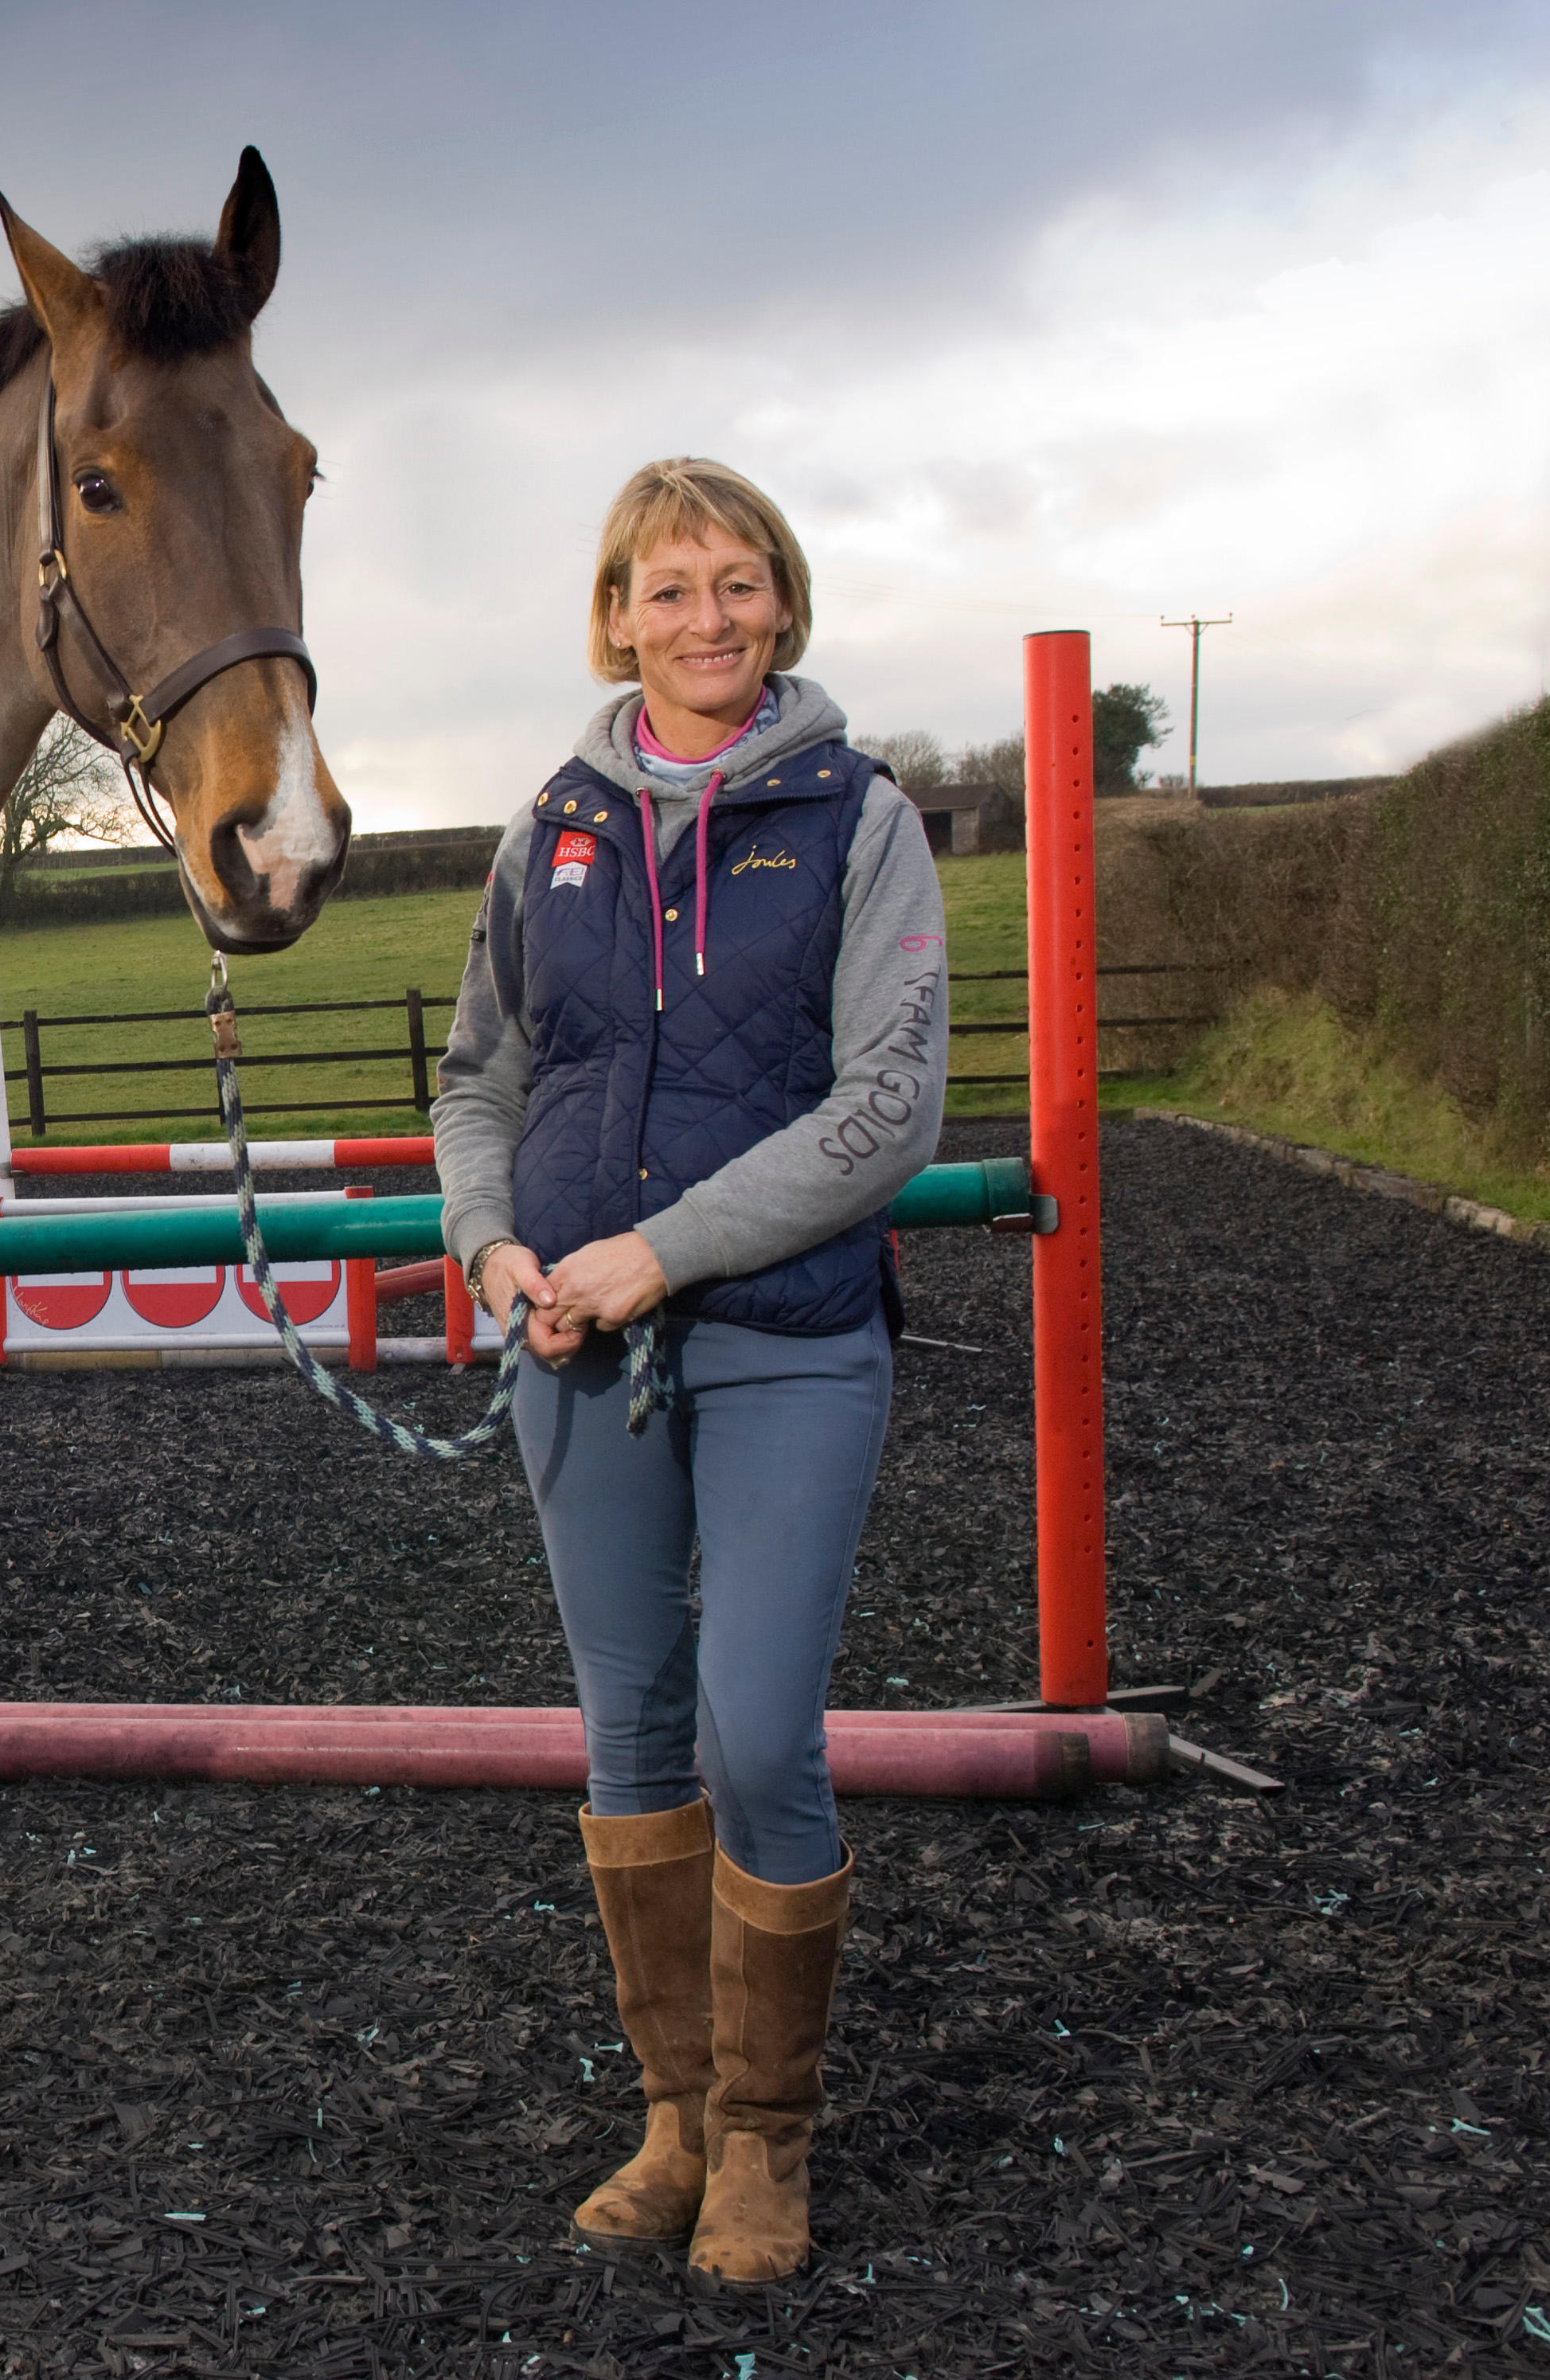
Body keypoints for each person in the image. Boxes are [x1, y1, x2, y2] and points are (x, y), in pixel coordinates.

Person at [429, 458, 947, 2284]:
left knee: (754, 1727)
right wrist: (497, 1247)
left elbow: (892, 1106)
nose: (706, 618)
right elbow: (479, 1078)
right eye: (670, 588)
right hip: (577, 1344)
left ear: (784, 608)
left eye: (739, 585)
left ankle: (771, 2141)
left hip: (788, 1339)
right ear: (616, 615)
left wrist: (668, 1247)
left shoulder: (859, 817)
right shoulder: (544, 827)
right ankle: (676, 2118)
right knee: (632, 1728)